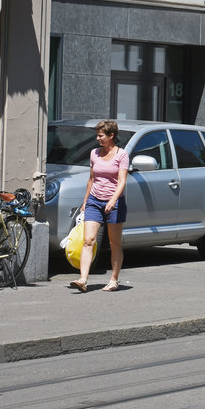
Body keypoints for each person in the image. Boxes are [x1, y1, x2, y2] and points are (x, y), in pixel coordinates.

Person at [70, 119, 128, 293]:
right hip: (94, 201)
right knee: (88, 241)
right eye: (97, 135)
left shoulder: (121, 155)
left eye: (101, 135)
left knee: (114, 243)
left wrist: (113, 200)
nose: (97, 138)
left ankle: (114, 280)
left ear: (111, 136)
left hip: (115, 202)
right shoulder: (94, 153)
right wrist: (86, 201)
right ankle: (83, 279)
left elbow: (122, 180)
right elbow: (92, 179)